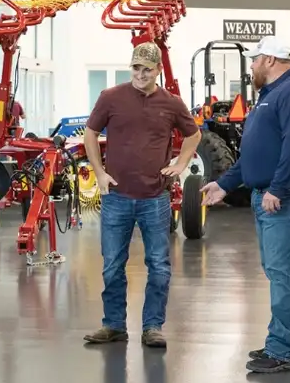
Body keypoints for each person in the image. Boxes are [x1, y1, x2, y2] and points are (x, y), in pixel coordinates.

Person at [199, 36, 290, 373]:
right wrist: (224, 184)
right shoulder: (268, 96)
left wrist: (279, 188)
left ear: (270, 59)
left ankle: (282, 349)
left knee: (284, 273)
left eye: (256, 60)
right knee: (286, 272)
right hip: (277, 192)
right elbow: (254, 153)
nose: (253, 66)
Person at [82, 41, 202, 347]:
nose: (140, 74)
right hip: (116, 197)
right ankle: (113, 325)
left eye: (147, 69)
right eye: (136, 68)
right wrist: (99, 172)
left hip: (155, 199)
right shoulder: (111, 98)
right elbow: (91, 132)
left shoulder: (172, 103)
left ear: (158, 70)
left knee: (159, 265)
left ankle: (152, 327)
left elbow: (194, 134)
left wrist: (181, 163)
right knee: (111, 265)